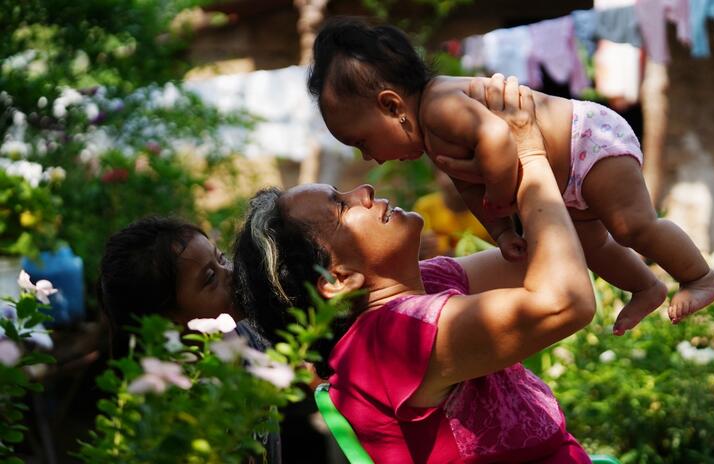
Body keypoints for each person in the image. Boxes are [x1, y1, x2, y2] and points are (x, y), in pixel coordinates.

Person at [233, 76, 596, 462]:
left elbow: (558, 252)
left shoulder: (423, 285)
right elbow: (564, 302)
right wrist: (530, 153)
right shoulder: (388, 339)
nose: (364, 192)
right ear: (337, 279)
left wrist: (499, 165)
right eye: (342, 207)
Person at [307, 17, 714, 335]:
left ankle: (698, 277)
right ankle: (646, 286)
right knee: (590, 246)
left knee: (632, 227)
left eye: (363, 141)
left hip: (587, 142)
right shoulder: (435, 140)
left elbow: (498, 139)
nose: (370, 158)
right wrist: (502, 230)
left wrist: (504, 196)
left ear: (392, 105)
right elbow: (472, 189)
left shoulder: (440, 106)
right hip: (562, 177)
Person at [97, 216, 280, 464]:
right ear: (166, 321)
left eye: (221, 258)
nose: (231, 273)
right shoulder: (169, 414)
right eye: (209, 278)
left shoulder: (246, 334)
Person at [414, 169, 493, 259]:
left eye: (463, 173)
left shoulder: (489, 208)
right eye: (448, 173)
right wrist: (416, 250)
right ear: (436, 178)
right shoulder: (426, 207)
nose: (456, 179)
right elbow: (421, 251)